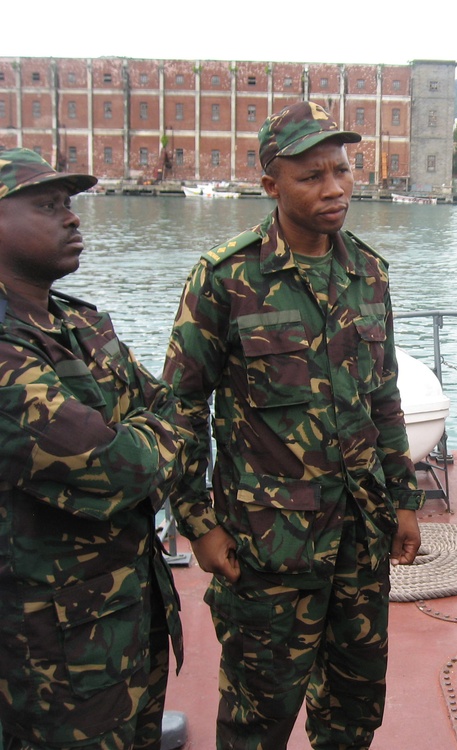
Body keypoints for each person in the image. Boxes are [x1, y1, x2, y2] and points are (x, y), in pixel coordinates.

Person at [162, 101, 424, 748]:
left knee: (355, 709)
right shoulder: (226, 278)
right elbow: (181, 410)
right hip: (268, 547)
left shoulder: (369, 273)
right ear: (271, 184)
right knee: (258, 716)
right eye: (311, 176)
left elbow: (383, 399)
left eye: (342, 170)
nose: (335, 188)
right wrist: (198, 525)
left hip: (361, 539)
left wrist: (404, 502)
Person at [0, 149, 191, 748]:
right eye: (48, 205)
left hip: (124, 621)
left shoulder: (78, 324)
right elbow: (115, 473)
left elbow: (174, 406)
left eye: (70, 204)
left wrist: (142, 434)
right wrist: (149, 439)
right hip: (48, 656)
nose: (72, 219)